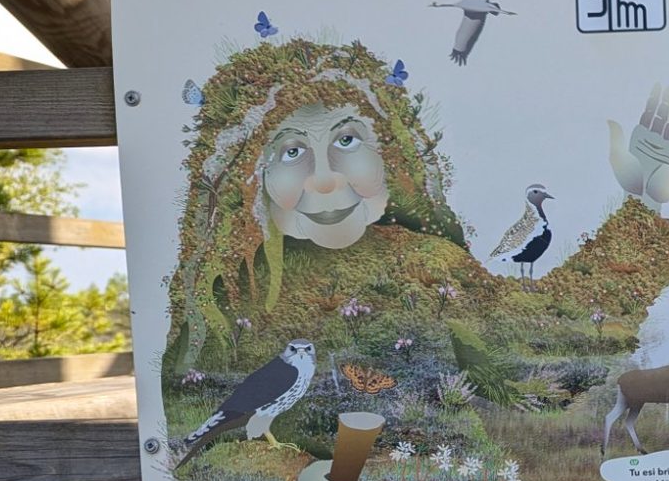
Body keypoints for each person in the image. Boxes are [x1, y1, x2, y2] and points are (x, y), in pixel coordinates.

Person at [166, 38, 466, 368]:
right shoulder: (223, 298)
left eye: (347, 140)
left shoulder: (440, 263)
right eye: (291, 152)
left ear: (391, 152)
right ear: (248, 179)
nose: (324, 180)